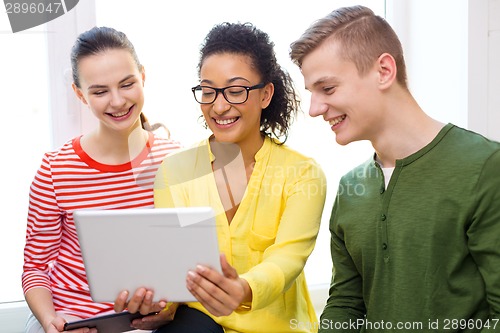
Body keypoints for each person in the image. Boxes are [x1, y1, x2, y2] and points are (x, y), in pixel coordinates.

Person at [289, 5, 500, 333]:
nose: (315, 109)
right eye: (312, 93)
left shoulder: (485, 168)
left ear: (384, 71)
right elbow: (346, 304)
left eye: (327, 89)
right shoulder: (350, 189)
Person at [114, 22, 327, 333]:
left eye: (236, 90)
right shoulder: (175, 171)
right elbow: (174, 266)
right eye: (208, 90)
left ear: (265, 94)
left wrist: (244, 288)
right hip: (201, 325)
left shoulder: (303, 174)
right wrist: (158, 303)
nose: (219, 105)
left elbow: (288, 258)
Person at [22, 26, 181, 333]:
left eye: (127, 84)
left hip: (146, 322)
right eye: (100, 91)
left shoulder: (175, 161)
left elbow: (187, 261)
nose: (118, 101)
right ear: (80, 94)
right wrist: (51, 321)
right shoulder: (55, 170)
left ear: (143, 77)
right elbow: (35, 269)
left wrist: (171, 309)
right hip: (72, 319)